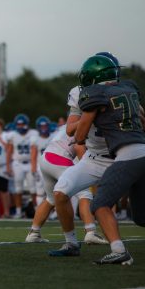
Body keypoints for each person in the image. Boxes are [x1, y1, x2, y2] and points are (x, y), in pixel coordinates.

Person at [74, 54, 145, 265]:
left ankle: (118, 249)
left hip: (128, 155)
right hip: (142, 149)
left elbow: (78, 137)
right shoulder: (129, 89)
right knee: (141, 217)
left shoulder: (95, 94)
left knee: (100, 204)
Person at [47, 52, 120, 257]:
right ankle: (71, 244)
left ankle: (117, 248)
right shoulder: (79, 93)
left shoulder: (123, 92)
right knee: (60, 192)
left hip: (123, 154)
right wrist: (91, 114)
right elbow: (71, 130)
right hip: (94, 156)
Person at [25, 125, 107, 246]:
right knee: (85, 193)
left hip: (45, 158)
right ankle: (91, 232)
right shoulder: (86, 123)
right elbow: (79, 147)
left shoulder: (67, 125)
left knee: (50, 199)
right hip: (59, 159)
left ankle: (33, 233)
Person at [6, 114, 38, 218]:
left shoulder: (33, 133)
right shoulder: (13, 135)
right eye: (18, 124)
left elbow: (35, 150)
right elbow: (9, 152)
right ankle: (19, 211)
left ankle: (37, 210)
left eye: (22, 124)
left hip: (30, 163)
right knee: (18, 189)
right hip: (17, 163)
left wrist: (34, 166)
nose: (20, 126)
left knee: (33, 189)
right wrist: (8, 166)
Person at [30, 116, 52, 207]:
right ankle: (39, 211)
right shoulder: (35, 139)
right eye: (42, 127)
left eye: (45, 126)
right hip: (41, 167)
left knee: (52, 190)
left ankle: (54, 213)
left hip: (52, 166)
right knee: (40, 190)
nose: (44, 128)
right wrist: (33, 169)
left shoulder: (53, 136)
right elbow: (33, 156)